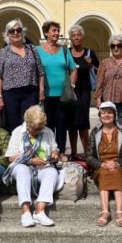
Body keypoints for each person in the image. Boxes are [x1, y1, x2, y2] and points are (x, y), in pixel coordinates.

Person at [3, 105, 59, 227]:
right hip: (23, 166)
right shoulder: (18, 132)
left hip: (42, 167)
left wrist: (54, 154)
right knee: (22, 170)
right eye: (34, 128)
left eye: (40, 128)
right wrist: (31, 161)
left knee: (52, 172)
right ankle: (26, 211)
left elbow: (55, 149)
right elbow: (11, 157)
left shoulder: (48, 131)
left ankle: (39, 211)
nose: (37, 131)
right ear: (27, 123)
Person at [86, 101, 122, 227]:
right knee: (104, 171)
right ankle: (105, 212)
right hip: (101, 167)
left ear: (115, 115)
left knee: (115, 170)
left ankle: (119, 212)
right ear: (99, 116)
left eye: (109, 113)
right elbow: (89, 156)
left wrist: (117, 163)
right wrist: (101, 164)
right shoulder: (95, 132)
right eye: (103, 113)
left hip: (120, 167)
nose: (106, 115)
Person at [0, 19, 45, 132]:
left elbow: (40, 72)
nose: (16, 33)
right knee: (13, 123)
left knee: (29, 122)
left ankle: (28, 148)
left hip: (30, 93)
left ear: (23, 32)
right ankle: (15, 148)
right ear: (7, 34)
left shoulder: (32, 49)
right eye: (12, 31)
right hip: (10, 93)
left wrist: (41, 90)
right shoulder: (4, 52)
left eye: (18, 30)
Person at [36, 21, 77, 161]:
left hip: (62, 96)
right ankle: (47, 151)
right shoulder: (37, 50)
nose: (56, 33)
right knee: (46, 125)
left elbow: (73, 69)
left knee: (61, 125)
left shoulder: (64, 50)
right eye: (53, 30)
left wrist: (71, 86)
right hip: (45, 95)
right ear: (46, 33)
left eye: (57, 30)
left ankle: (60, 152)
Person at [68, 25, 99, 156]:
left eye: (78, 35)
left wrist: (91, 64)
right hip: (70, 92)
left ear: (82, 37)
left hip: (84, 93)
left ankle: (87, 154)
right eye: (73, 35)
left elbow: (100, 70)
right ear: (70, 37)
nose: (76, 37)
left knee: (83, 123)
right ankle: (74, 153)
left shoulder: (89, 52)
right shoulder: (66, 52)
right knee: (72, 124)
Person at [95, 35, 122, 130]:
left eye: (119, 45)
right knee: (108, 131)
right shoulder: (104, 62)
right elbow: (99, 82)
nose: (116, 48)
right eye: (113, 46)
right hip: (108, 103)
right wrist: (98, 99)